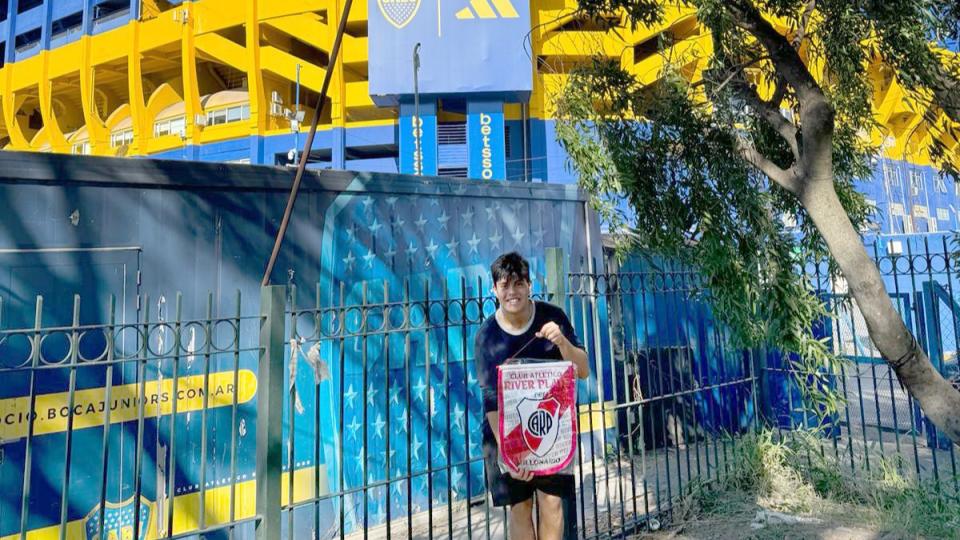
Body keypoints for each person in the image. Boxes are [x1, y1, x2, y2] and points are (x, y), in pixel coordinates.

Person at [475, 251, 589, 540]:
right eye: (505, 285)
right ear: (495, 290)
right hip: (506, 434)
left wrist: (562, 342)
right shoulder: (487, 335)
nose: (512, 292)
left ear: (530, 284)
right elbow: (490, 399)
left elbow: (584, 369)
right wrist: (511, 453)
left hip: (552, 432)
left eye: (519, 283)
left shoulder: (553, 317)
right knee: (519, 508)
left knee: (551, 504)